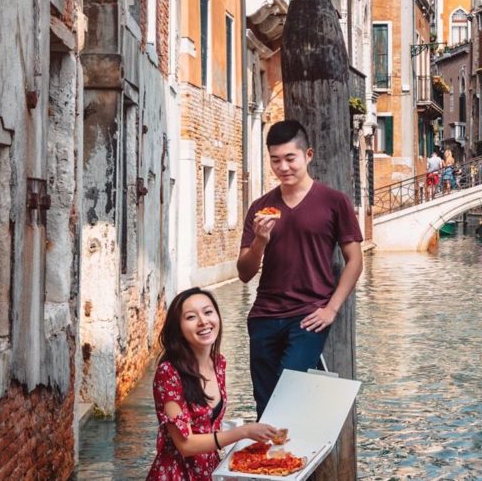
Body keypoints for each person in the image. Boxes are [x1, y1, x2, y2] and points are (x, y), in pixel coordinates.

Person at [237, 120, 364, 417]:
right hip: (264, 317)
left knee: (287, 394)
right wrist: (260, 240)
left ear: (308, 155)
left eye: (290, 158)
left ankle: (291, 457)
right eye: (275, 160)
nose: (283, 167)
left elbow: (355, 260)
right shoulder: (260, 207)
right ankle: (270, 461)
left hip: (309, 316)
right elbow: (244, 273)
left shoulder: (334, 202)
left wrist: (331, 309)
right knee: (265, 406)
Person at [148, 288, 280, 480]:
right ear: (178, 328)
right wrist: (244, 432)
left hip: (209, 470)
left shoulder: (218, 363)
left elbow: (212, 426)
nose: (203, 321)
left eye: (208, 312)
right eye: (191, 317)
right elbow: (186, 445)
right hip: (176, 474)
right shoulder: (168, 373)